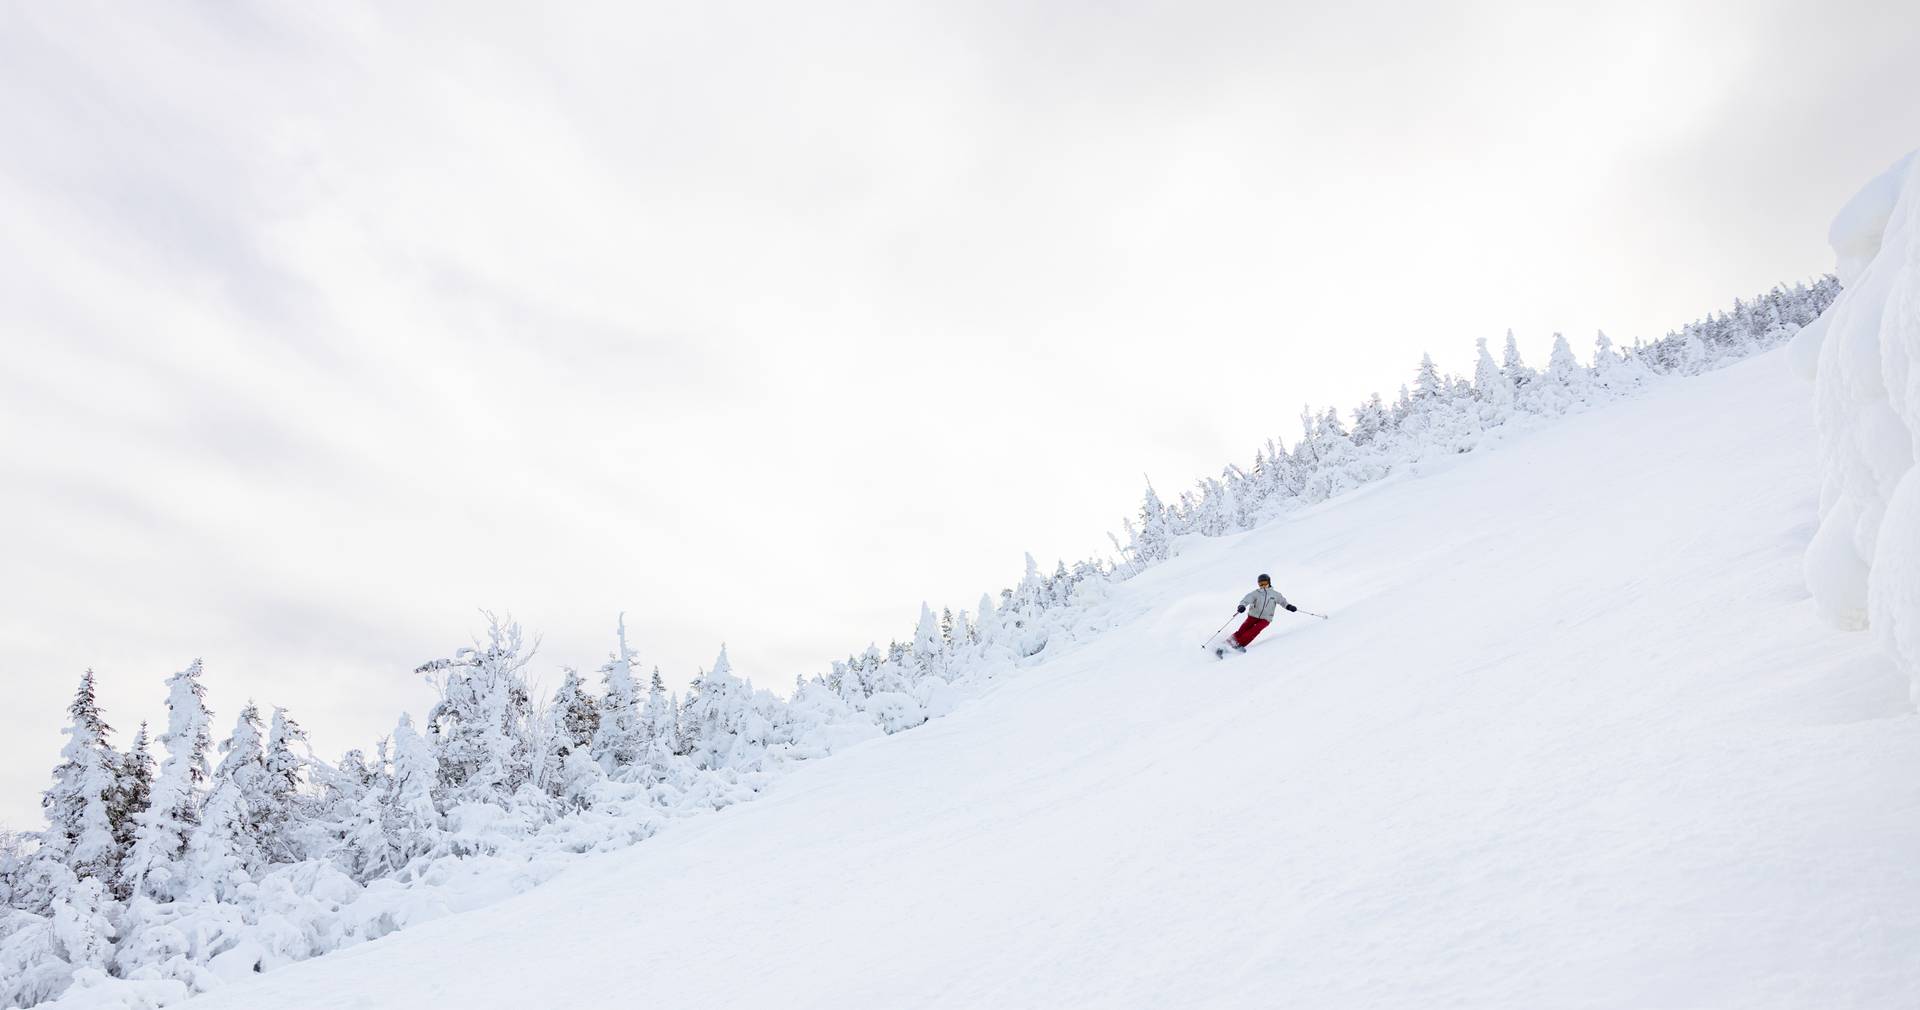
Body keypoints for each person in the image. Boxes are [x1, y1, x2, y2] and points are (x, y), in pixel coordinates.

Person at [1226, 573, 1295, 652]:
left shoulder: (1275, 594)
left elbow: (1283, 602)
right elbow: (1245, 600)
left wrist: (1289, 607)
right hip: (1252, 616)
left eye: (1265, 583)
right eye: (1260, 584)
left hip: (1265, 619)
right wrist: (1241, 606)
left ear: (1269, 582)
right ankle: (1225, 644)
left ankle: (1239, 644)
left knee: (1254, 630)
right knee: (1242, 630)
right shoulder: (1255, 593)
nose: (1263, 585)